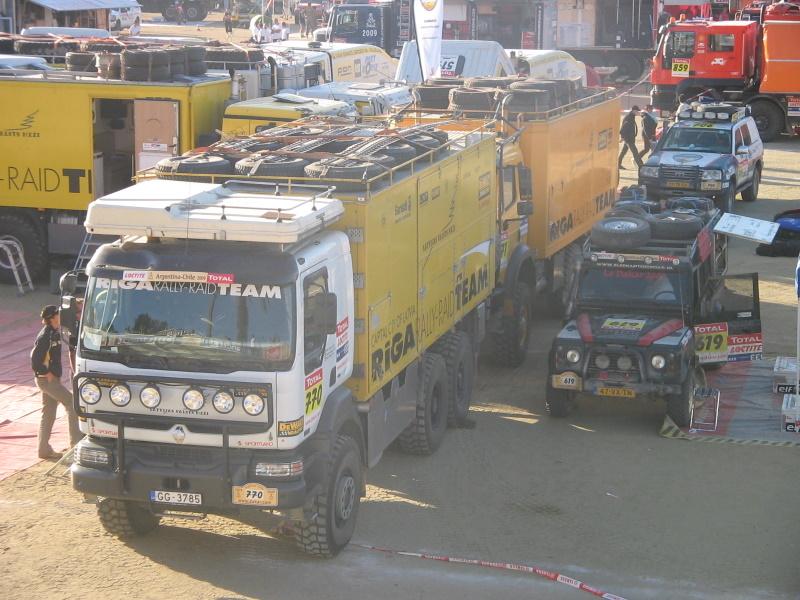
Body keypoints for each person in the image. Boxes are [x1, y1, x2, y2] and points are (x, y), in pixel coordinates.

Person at [31, 305, 81, 460]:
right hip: (47, 381)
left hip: (49, 380)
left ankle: (44, 450)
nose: (61, 316)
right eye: (59, 314)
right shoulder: (46, 335)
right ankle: (76, 445)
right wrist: (46, 372)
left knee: (48, 413)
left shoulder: (54, 333)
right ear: (52, 317)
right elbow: (35, 360)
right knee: (72, 404)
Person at [618, 105, 643, 169]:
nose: (638, 112)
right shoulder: (629, 118)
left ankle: (618, 164)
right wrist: (622, 137)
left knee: (623, 152)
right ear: (634, 111)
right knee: (635, 152)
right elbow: (623, 129)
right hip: (629, 139)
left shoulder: (631, 117)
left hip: (629, 138)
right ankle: (641, 166)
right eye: (637, 111)